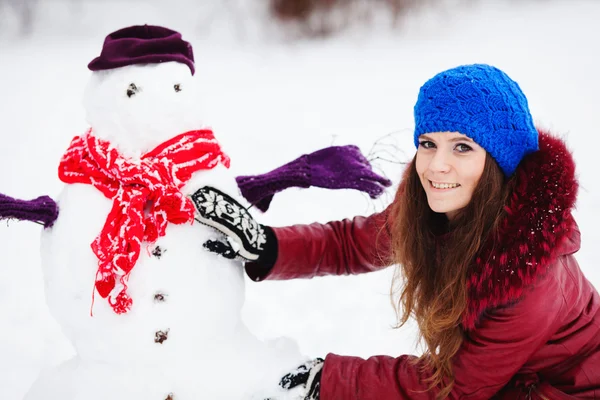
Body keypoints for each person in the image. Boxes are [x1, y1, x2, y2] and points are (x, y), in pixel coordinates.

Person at [191, 64, 600, 399]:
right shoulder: (438, 204)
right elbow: (351, 245)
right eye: (427, 143)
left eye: (462, 147)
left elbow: (454, 389)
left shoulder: (530, 273)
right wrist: (267, 246)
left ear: (500, 162)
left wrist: (326, 381)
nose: (436, 165)